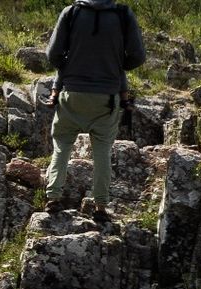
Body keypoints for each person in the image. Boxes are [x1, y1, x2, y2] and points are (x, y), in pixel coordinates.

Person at [44, 0, 146, 216]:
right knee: (102, 152)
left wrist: (72, 66)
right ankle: (100, 205)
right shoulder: (123, 14)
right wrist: (116, 65)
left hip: (72, 94)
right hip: (106, 97)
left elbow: (53, 55)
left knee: (62, 145)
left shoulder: (71, 12)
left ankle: (53, 197)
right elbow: (138, 56)